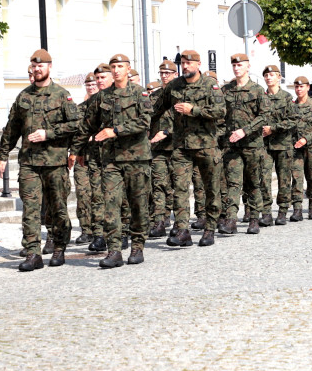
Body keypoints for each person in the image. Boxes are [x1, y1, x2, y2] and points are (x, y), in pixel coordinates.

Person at [0, 49, 81, 271]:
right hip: (29, 163)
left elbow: (75, 124)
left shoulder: (63, 95)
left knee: (58, 208)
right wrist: (3, 154)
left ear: (49, 67)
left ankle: (59, 247)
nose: (37, 69)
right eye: (34, 66)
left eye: (41, 66)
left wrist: (49, 134)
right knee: (31, 209)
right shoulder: (24, 96)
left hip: (55, 163)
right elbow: (11, 128)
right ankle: (33, 253)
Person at [70, 53, 152, 267]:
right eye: (113, 67)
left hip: (137, 159)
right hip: (112, 161)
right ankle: (114, 250)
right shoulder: (102, 97)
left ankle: (137, 246)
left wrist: (115, 131)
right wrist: (76, 150)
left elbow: (144, 122)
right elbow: (87, 125)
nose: (116, 70)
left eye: (120, 66)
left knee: (138, 204)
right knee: (111, 204)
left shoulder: (140, 93)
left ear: (128, 69)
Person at [152, 50, 226, 246]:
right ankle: (182, 230)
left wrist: (194, 110)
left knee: (211, 188)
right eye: (183, 63)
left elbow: (220, 111)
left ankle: (209, 228)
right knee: (180, 189)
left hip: (206, 145)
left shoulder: (211, 85)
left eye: (189, 63)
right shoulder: (174, 86)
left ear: (199, 64)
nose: (185, 66)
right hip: (181, 147)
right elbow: (156, 109)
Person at [219, 53, 271, 235]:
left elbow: (264, 116)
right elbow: (220, 115)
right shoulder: (226, 90)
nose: (236, 68)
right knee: (233, 183)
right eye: (234, 65)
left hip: (252, 145)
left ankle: (254, 219)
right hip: (232, 146)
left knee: (253, 183)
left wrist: (245, 130)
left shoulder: (257, 90)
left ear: (248, 67)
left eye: (240, 65)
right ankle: (231, 220)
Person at [74, 68, 108, 252]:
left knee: (103, 194)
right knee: (84, 193)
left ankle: (110, 230)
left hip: (103, 155)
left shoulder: (105, 103)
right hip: (84, 155)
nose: (91, 86)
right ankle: (89, 230)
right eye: (88, 84)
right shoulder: (80, 108)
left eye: (93, 83)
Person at [260, 64, 295, 225]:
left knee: (284, 179)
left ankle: (282, 211)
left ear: (279, 77)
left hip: (283, 145)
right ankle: (266, 212)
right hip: (265, 146)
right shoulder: (261, 97)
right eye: (266, 75)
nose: (269, 78)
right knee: (264, 179)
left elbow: (293, 121)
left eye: (272, 75)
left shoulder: (287, 97)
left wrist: (272, 129)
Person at [148, 60, 179, 238]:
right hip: (158, 148)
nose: (164, 76)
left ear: (175, 74)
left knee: (178, 186)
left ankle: (180, 222)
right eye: (162, 73)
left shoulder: (182, 95)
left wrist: (168, 132)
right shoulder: (155, 96)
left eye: (168, 73)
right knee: (158, 184)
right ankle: (159, 221)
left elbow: (188, 122)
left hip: (178, 146)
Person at [290, 75, 312, 221]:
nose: (299, 89)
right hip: (296, 149)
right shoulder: (291, 106)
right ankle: (297, 209)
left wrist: (306, 139)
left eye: (301, 86)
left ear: (308, 87)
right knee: (296, 179)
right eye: (296, 87)